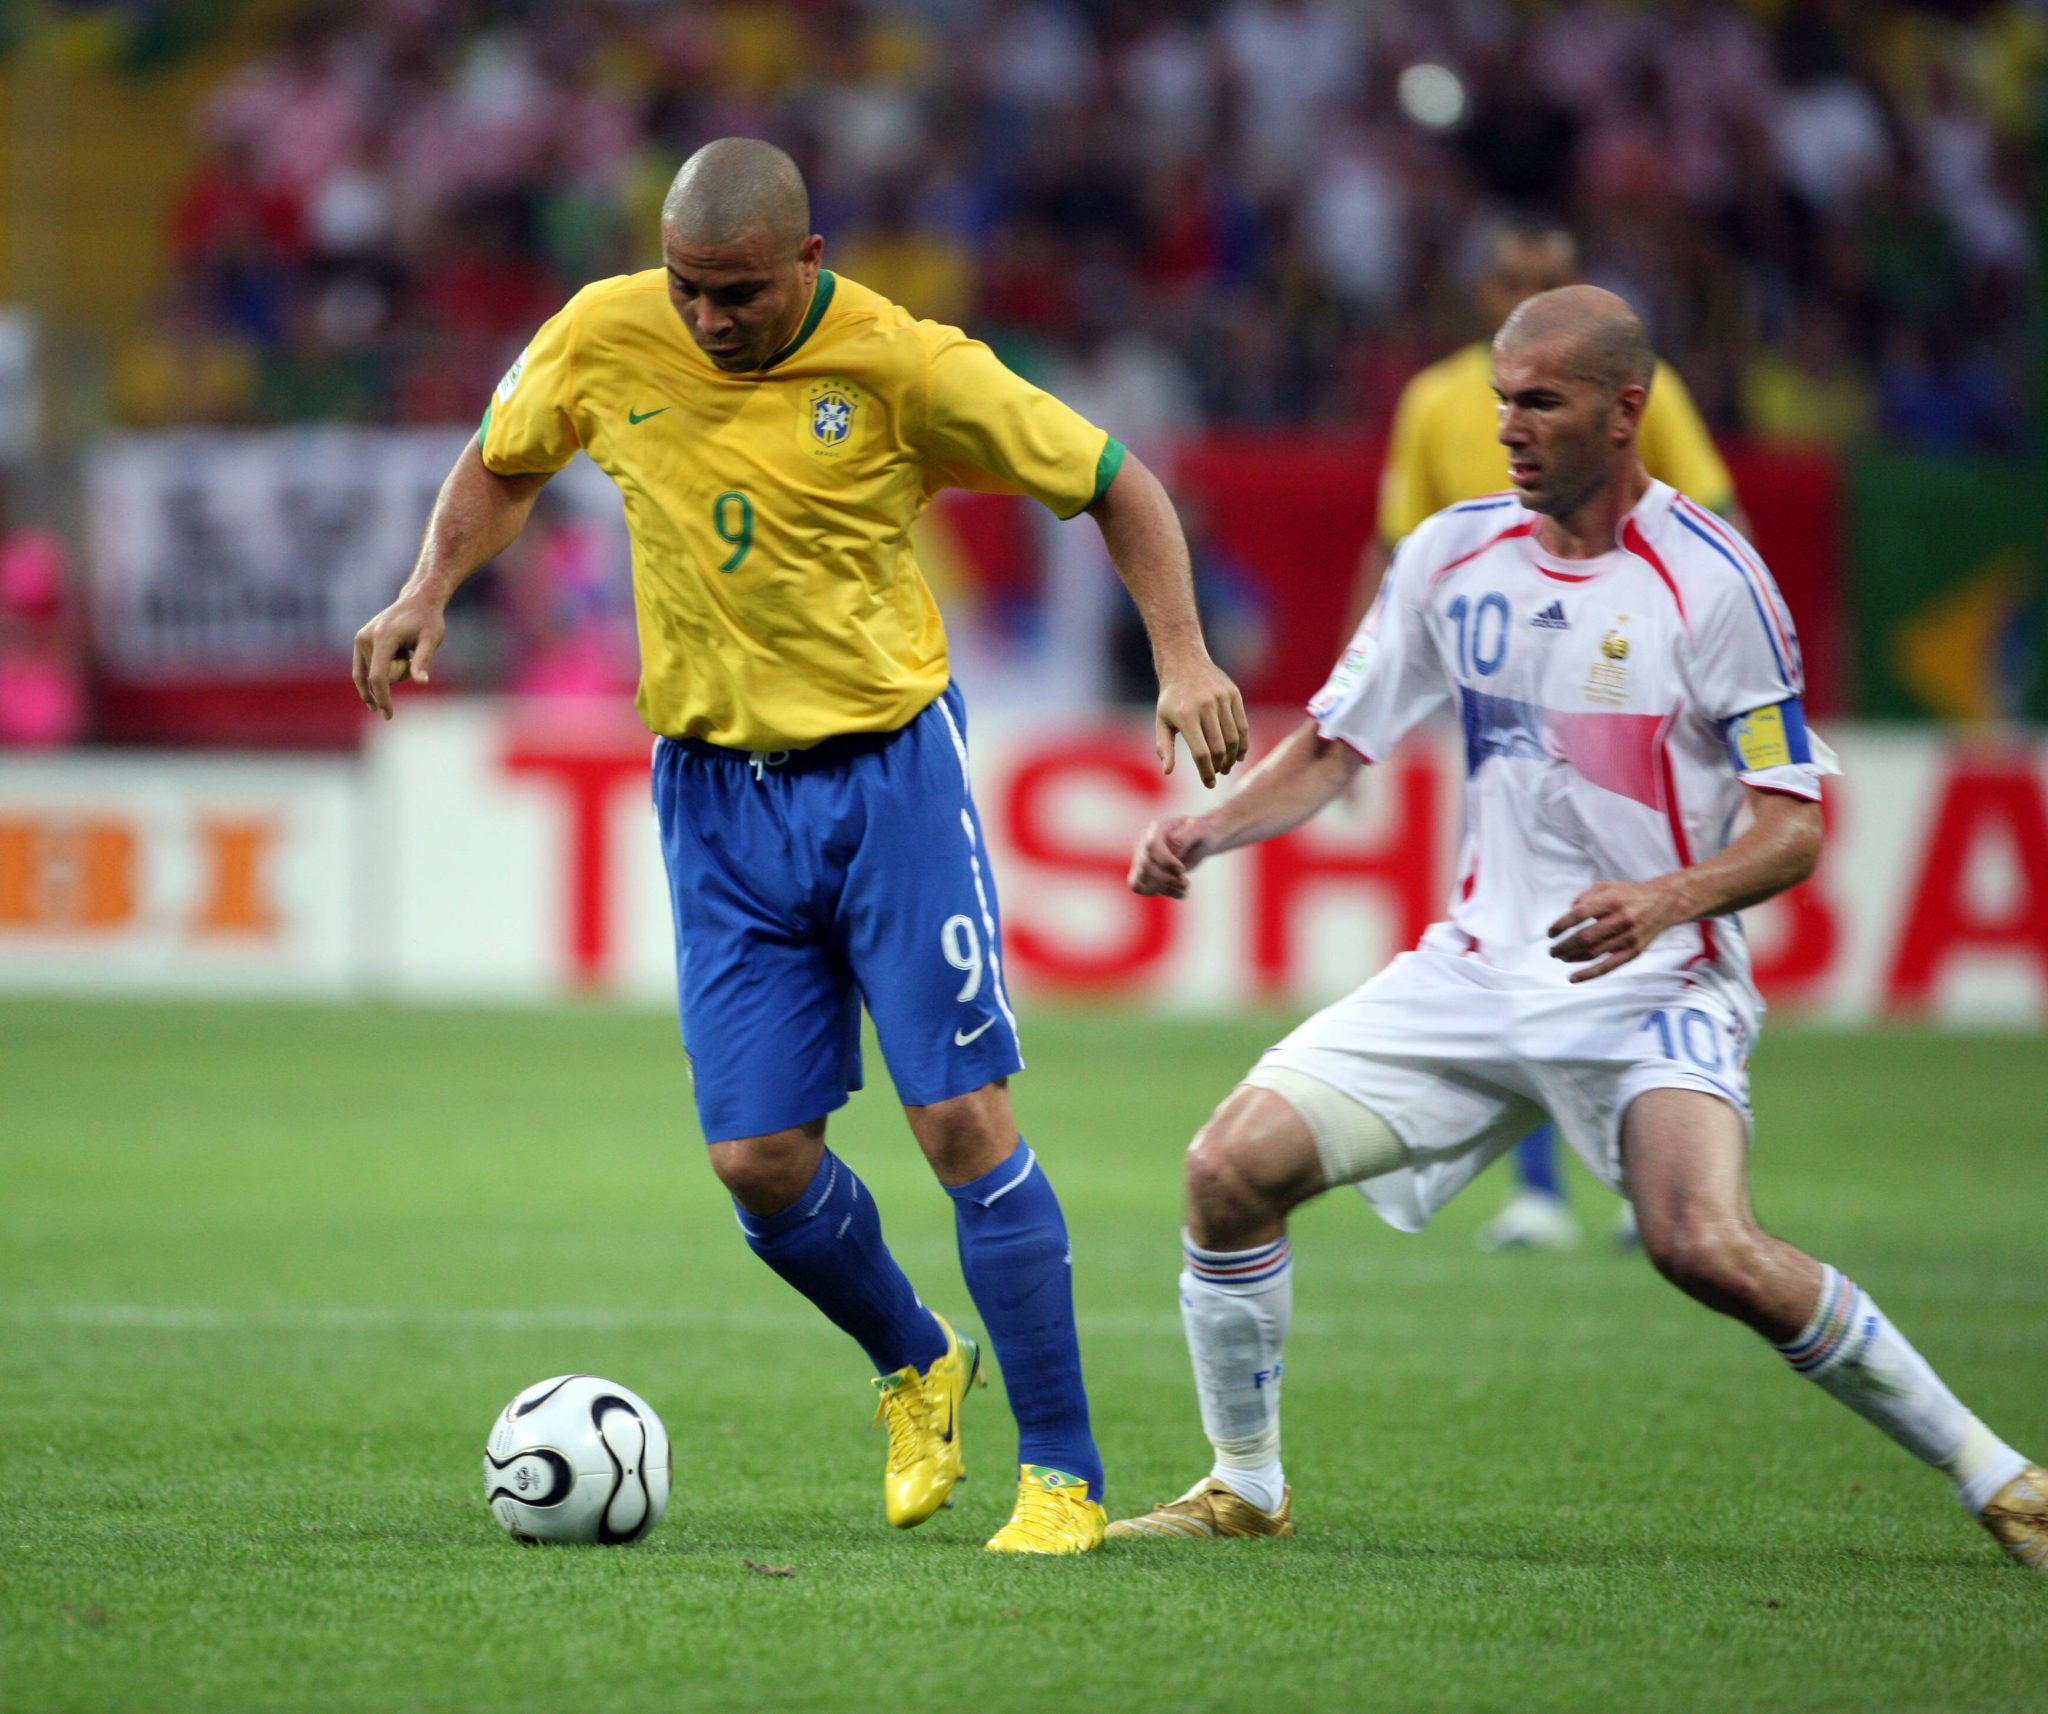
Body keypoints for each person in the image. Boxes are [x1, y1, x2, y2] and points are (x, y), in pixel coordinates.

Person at [352, 138, 1249, 1556]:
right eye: (689, 289)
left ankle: (1061, 1474)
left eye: (740, 294)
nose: (709, 319)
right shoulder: (602, 332)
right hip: (714, 796)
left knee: (959, 1120)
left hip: (888, 781)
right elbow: (503, 457)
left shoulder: (906, 365)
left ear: (809, 262)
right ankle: (916, 1357)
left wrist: (1183, 657)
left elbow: (1115, 481)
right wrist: (428, 586)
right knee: (758, 1161)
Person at [1104, 286, 2045, 1573]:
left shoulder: (1712, 581)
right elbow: (1333, 744)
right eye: (1501, 401)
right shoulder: (1449, 555)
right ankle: (1243, 1485)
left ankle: (2002, 1479)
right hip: (1473, 970)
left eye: (1538, 402)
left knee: (1701, 1245)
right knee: (1225, 1173)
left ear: (1622, 410)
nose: (1507, 427)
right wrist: (1203, 831)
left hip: (1648, 983)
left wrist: (1662, 898)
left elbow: (1792, 827)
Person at [1350, 219, 1744, 1255]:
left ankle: (1652, 1165)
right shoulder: (1436, 402)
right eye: (1508, 279)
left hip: (1629, 705)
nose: (1523, 294)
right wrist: (1350, 705)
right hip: (1503, 710)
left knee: (1637, 924)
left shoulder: (1634, 390)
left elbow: (1714, 514)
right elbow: (1394, 548)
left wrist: (1740, 670)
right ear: (1481, 293)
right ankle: (1537, 1192)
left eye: (1546, 277)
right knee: (1512, 932)